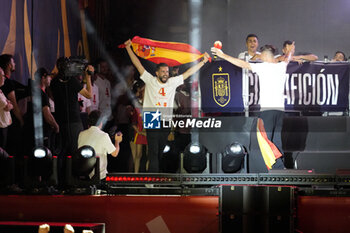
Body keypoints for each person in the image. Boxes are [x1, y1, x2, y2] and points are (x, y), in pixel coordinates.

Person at [124, 38, 210, 172]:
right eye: (163, 72)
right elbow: (138, 64)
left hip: (166, 118)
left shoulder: (172, 82)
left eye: (167, 72)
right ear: (157, 73)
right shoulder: (150, 80)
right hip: (152, 117)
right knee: (152, 152)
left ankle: (155, 179)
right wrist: (129, 48)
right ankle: (152, 181)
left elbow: (188, 73)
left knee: (159, 152)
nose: (165, 74)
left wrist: (203, 62)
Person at [211, 43, 294, 169]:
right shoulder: (281, 66)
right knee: (277, 141)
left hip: (267, 111)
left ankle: (277, 168)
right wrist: (290, 51)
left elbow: (242, 64)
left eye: (261, 56)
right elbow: (287, 59)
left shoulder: (264, 67)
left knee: (265, 141)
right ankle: (281, 170)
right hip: (280, 111)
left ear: (266, 55)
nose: (260, 58)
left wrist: (223, 55)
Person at [78, 110, 122, 180]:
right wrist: (117, 141)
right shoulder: (104, 135)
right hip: (99, 176)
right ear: (101, 122)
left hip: (84, 175)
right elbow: (115, 153)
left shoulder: (81, 134)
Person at [0, 67, 13, 148]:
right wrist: (9, 105)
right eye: (2, 76)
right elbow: (7, 106)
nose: (4, 78)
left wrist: (9, 105)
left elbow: (9, 104)